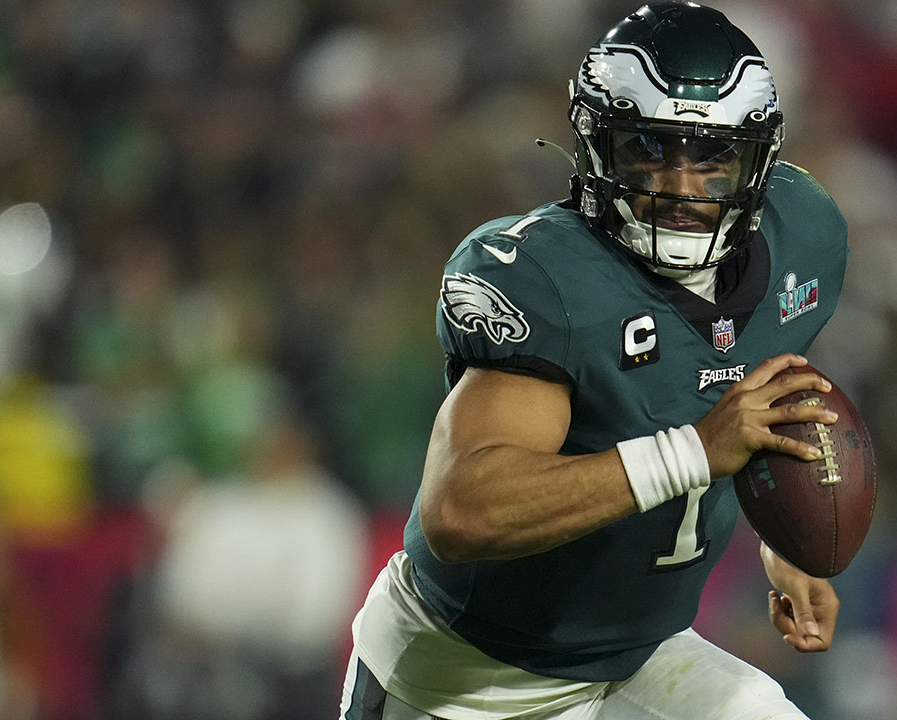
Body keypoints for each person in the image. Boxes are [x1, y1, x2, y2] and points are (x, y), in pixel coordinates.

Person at [340, 4, 848, 719]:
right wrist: (695, 452)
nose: (678, 185)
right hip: (471, 677)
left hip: (641, 654)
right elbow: (462, 511)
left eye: (709, 155)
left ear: (755, 161)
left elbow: (756, 406)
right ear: (596, 148)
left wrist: (788, 543)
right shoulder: (546, 276)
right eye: (648, 148)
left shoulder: (806, 237)